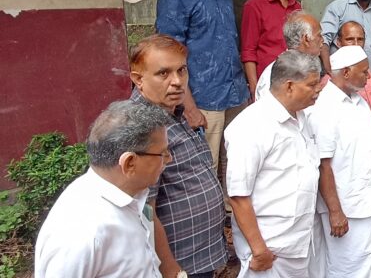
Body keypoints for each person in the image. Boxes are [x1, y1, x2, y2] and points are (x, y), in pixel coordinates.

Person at [35, 100, 172, 278]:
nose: (169, 159)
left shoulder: (125, 197)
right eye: (163, 153)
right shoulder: (82, 234)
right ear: (129, 163)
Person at [129, 34, 227, 278]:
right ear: (138, 80)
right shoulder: (143, 128)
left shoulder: (175, 112)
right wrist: (171, 269)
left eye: (181, 70)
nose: (177, 81)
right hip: (178, 263)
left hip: (199, 256)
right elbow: (144, 210)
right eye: (163, 73)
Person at [156, 0, 249, 171]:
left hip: (235, 95)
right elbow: (168, 58)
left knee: (236, 162)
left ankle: (232, 209)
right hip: (203, 99)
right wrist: (189, 106)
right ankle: (214, 211)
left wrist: (245, 93)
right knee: (204, 166)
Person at [224, 50, 323, 277]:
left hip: (296, 243)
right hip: (270, 251)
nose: (318, 90)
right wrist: (259, 250)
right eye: (312, 84)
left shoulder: (302, 117)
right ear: (289, 86)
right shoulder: (251, 127)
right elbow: (238, 196)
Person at [308, 46, 371, 278]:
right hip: (348, 209)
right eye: (364, 71)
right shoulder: (325, 109)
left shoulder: (358, 100)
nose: (369, 76)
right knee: (348, 268)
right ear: (346, 72)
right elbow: (323, 165)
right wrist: (335, 211)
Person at [241, 0, 303, 100]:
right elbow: (248, 51)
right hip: (266, 83)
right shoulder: (254, 6)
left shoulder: (297, 8)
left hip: (292, 81)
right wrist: (255, 89)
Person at [254, 10, 323, 101]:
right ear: (306, 39)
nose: (323, 40)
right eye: (319, 35)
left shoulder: (311, 67)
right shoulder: (275, 74)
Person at [321, 21, 371, 123]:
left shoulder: (366, 72)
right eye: (350, 39)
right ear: (338, 42)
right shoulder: (331, 80)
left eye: (360, 39)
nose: (356, 44)